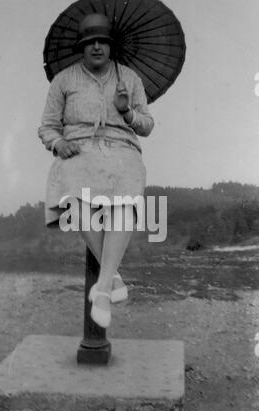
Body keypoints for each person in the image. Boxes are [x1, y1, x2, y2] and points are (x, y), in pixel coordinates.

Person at [38, 13, 154, 328]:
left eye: (103, 42)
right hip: (78, 150)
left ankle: (101, 289)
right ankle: (111, 277)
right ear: (81, 47)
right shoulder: (63, 81)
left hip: (121, 150)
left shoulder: (129, 78)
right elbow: (47, 127)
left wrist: (126, 111)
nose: (97, 48)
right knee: (75, 193)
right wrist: (58, 143)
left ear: (112, 46)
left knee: (126, 195)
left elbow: (147, 126)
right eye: (90, 43)